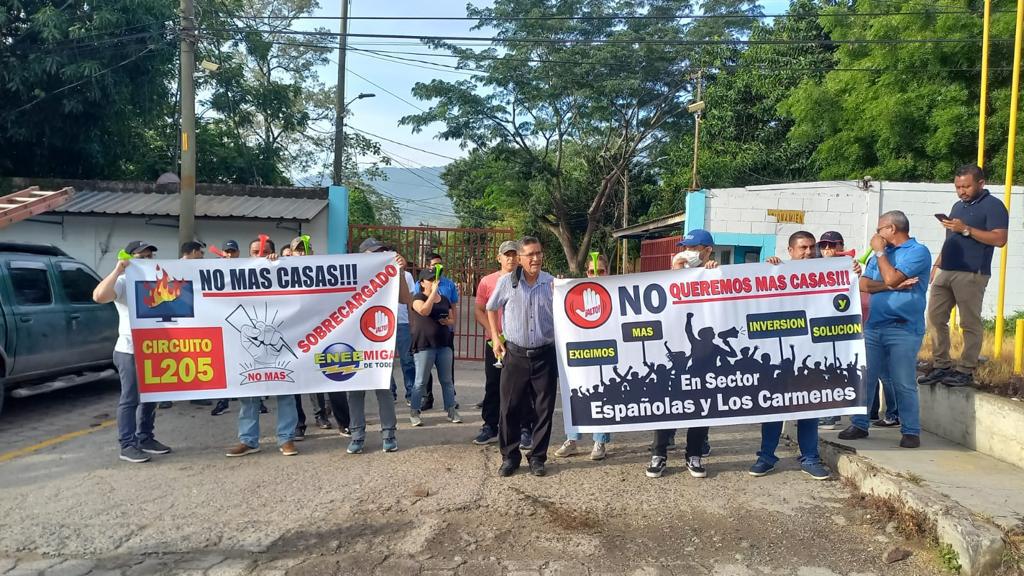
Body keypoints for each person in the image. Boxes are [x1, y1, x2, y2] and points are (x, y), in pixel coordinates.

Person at [840, 211, 932, 449]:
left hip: (903, 328)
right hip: (874, 325)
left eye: (880, 229)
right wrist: (891, 285)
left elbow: (891, 277)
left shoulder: (917, 252)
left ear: (892, 229)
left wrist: (881, 255)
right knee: (865, 378)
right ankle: (860, 424)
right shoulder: (882, 256)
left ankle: (910, 430)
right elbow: (864, 284)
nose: (876, 234)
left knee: (903, 381)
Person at [750, 231, 832, 481]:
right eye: (802, 248)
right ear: (790, 250)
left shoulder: (825, 274)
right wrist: (770, 271)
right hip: (778, 356)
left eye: (811, 247)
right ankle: (766, 457)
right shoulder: (776, 272)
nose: (808, 252)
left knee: (810, 406)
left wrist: (850, 273)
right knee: (774, 408)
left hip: (810, 353)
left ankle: (810, 457)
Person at [919, 164, 1009, 388]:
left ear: (981, 183)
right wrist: (937, 264)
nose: (962, 191)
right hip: (946, 270)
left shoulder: (994, 206)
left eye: (966, 186)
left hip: (971, 272)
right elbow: (951, 238)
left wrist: (967, 229)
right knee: (934, 317)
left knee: (969, 322)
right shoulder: (957, 206)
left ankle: (965, 369)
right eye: (958, 187)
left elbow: (999, 239)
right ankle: (941, 365)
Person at [648, 229, 719, 479]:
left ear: (707, 250)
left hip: (702, 361)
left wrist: (712, 272)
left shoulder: (716, 272)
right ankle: (659, 453)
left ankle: (694, 454)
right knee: (666, 404)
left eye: (694, 247)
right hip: (676, 353)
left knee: (700, 406)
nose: (688, 252)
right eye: (685, 247)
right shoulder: (673, 271)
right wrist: (675, 274)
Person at [93, 240, 172, 463]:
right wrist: (118, 268)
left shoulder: (158, 282)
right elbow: (99, 296)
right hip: (129, 350)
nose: (147, 261)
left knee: (151, 396)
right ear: (129, 259)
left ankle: (145, 437)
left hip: (154, 349)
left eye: (150, 257)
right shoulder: (122, 281)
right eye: (141, 257)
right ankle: (127, 445)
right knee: (131, 398)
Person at [487, 236, 557, 477]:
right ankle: (510, 456)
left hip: (544, 355)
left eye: (538, 253)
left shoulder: (552, 284)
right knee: (509, 408)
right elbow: (490, 307)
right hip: (515, 355)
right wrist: (496, 337)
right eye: (530, 255)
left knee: (544, 409)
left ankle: (538, 457)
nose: (535, 258)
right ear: (519, 258)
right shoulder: (507, 282)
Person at [225, 237, 300, 457]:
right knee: (248, 395)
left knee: (285, 392)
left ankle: (286, 439)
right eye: (255, 251)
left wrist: (280, 264)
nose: (260, 255)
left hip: (280, 339)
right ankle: (248, 440)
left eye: (265, 251)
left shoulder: (281, 269)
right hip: (247, 343)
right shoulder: (236, 272)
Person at [344, 237, 411, 454]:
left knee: (383, 387)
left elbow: (405, 298)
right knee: (354, 389)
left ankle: (389, 434)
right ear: (363, 255)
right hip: (351, 339)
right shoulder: (349, 272)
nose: (380, 255)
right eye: (374, 252)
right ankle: (357, 435)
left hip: (378, 338)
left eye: (382, 251)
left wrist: (399, 272)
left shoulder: (389, 274)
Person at [471, 240, 533, 445]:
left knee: (523, 387)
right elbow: (480, 310)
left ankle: (525, 428)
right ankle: (490, 425)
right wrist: (493, 332)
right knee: (494, 384)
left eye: (515, 254)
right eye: (507, 255)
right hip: (495, 342)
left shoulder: (527, 279)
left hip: (520, 342)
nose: (511, 258)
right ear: (499, 258)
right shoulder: (488, 281)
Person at [555, 254, 613, 461]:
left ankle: (600, 440)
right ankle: (572, 439)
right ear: (585, 273)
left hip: (606, 353)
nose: (595, 275)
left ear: (609, 272)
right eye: (591, 271)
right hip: (579, 354)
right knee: (576, 395)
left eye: (601, 271)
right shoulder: (575, 294)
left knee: (603, 396)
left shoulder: (616, 292)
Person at [286, 236, 336, 441]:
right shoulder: (283, 270)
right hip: (290, 333)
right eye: (297, 250)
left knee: (314, 378)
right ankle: (299, 423)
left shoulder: (319, 270)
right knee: (294, 380)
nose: (301, 253)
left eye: (304, 249)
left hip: (315, 332)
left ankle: (321, 415)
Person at [160, 241, 211, 409]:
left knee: (195, 358)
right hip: (179, 318)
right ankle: (165, 396)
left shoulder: (196, 269)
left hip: (194, 318)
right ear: (194, 252)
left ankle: (196, 394)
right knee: (173, 358)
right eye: (201, 253)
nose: (203, 257)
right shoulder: (175, 268)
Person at [409, 268, 461, 426]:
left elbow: (452, 319)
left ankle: (451, 409)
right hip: (424, 345)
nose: (434, 282)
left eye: (435, 279)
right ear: (422, 283)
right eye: (430, 280)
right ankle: (414, 412)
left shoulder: (444, 299)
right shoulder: (417, 297)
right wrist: (433, 293)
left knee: (447, 380)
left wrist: (447, 322)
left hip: (443, 344)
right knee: (420, 382)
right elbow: (424, 310)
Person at [416, 252, 460, 410]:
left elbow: (453, 306)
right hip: (426, 333)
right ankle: (427, 398)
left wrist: (452, 323)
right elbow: (417, 305)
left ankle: (450, 399)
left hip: (445, 332)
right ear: (428, 266)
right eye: (435, 265)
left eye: (440, 264)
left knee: (447, 368)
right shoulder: (421, 283)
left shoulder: (449, 284)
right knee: (424, 370)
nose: (438, 268)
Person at [212, 241, 243, 417]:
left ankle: (258, 400)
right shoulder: (213, 268)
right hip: (222, 325)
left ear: (238, 252)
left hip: (242, 323)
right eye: (227, 251)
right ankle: (223, 401)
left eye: (233, 251)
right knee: (224, 366)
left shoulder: (247, 266)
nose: (230, 255)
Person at [394, 249, 417, 405]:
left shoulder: (406, 276)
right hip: (383, 324)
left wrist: (412, 323)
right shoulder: (374, 274)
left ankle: (410, 393)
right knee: (385, 362)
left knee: (407, 360)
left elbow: (410, 301)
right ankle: (390, 393)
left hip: (402, 323)